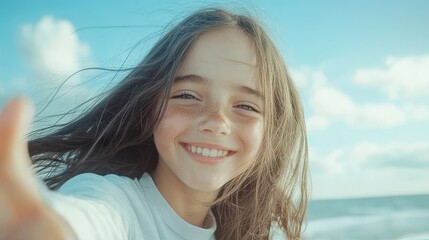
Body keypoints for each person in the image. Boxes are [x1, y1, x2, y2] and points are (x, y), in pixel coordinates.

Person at [0, 7, 309, 240]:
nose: (217, 123)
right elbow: (85, 218)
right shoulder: (118, 203)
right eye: (187, 95)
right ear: (150, 107)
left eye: (245, 105)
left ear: (271, 129)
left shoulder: (238, 231)